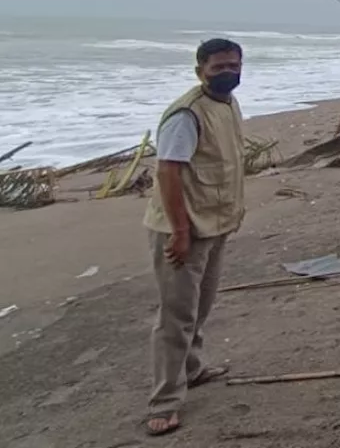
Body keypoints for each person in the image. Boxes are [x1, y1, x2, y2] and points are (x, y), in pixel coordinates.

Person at [142, 38, 246, 437]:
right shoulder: (187, 114)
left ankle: (193, 368)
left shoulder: (228, 104)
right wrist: (181, 232)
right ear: (199, 69)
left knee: (199, 308)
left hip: (214, 223)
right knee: (175, 318)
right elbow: (168, 171)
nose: (227, 73)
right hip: (182, 228)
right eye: (218, 67)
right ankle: (165, 401)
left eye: (233, 66)